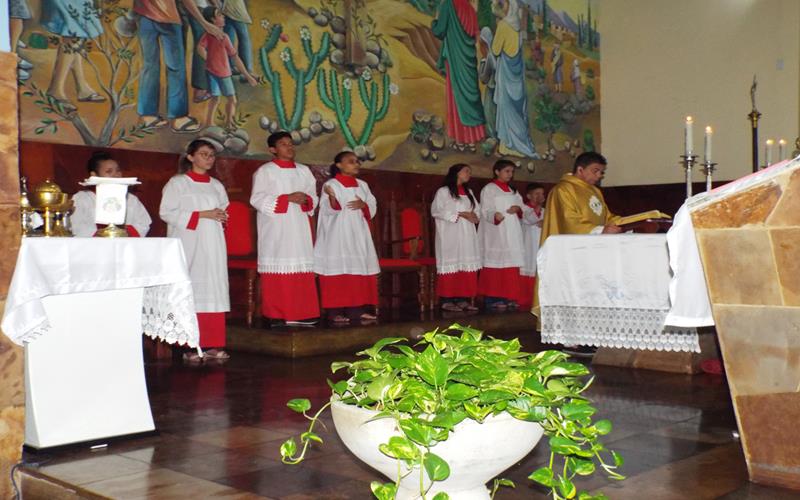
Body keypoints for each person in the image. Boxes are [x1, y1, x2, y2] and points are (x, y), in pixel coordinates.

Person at [160, 139, 230, 362]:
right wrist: (201, 215)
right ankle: (188, 345)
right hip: (188, 241)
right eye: (203, 154)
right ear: (190, 157)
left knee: (213, 289)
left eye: (211, 155)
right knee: (189, 288)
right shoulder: (178, 183)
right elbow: (166, 212)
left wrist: (220, 216)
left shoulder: (216, 185)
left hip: (213, 241)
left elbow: (223, 209)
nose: (208, 159)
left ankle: (212, 344)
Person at [250, 132, 320, 326]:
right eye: (283, 144)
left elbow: (313, 196)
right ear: (273, 149)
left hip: (299, 226)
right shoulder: (265, 171)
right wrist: (286, 198)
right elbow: (256, 199)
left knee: (301, 265)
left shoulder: (304, 171)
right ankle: (277, 314)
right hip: (276, 228)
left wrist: (306, 199)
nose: (289, 147)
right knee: (279, 265)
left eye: (291, 144)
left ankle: (303, 313)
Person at [134, 0, 224, 133]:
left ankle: (148, 114)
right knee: (175, 67)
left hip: (145, 16)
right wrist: (204, 23)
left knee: (150, 66)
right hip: (168, 19)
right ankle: (177, 117)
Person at [314, 151, 379, 325]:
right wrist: (333, 198)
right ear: (339, 165)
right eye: (351, 161)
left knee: (357, 270)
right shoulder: (331, 184)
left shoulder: (363, 185)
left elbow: (372, 205)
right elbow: (327, 208)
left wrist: (364, 205)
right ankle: (334, 311)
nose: (356, 164)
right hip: (338, 235)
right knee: (338, 270)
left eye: (357, 161)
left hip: (358, 233)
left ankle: (356, 310)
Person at [431, 0, 486, 145]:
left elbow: (439, 30)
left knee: (456, 95)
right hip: (469, 60)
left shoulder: (448, 4)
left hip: (455, 58)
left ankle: (461, 139)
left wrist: (435, 20)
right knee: (470, 94)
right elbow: (474, 35)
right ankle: (474, 138)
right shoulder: (470, 8)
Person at [539, 151, 622, 245]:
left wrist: (625, 222)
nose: (599, 175)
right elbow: (569, 220)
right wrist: (599, 231)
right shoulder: (562, 190)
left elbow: (606, 217)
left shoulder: (595, 191)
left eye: (601, 172)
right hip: (571, 246)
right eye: (595, 171)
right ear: (580, 170)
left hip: (594, 244)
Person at [197, 6, 259, 129]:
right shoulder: (222, 37)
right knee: (231, 99)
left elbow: (200, 48)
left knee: (216, 98)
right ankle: (227, 123)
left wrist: (209, 61)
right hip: (222, 73)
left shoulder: (212, 35)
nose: (223, 17)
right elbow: (235, 58)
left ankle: (214, 123)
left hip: (214, 72)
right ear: (213, 20)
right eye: (220, 15)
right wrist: (248, 76)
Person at [431, 164, 481, 312]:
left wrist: (475, 217)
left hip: (467, 233)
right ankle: (447, 299)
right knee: (451, 264)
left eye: (470, 172)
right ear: (456, 173)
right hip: (450, 233)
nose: (469, 174)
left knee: (466, 263)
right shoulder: (444, 192)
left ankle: (463, 298)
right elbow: (436, 211)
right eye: (466, 171)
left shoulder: (469, 192)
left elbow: (477, 211)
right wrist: (461, 214)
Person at [478, 159, 526, 310]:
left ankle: (508, 296)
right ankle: (493, 299)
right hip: (496, 232)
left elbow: (522, 205)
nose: (510, 175)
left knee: (510, 265)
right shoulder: (489, 189)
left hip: (511, 231)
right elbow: (485, 209)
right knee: (496, 265)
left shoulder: (513, 190)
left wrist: (518, 208)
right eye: (507, 171)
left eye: (512, 172)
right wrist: (495, 215)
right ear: (497, 171)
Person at [71, 151, 152, 237]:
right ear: (94, 175)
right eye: (109, 171)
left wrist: (122, 231)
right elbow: (76, 225)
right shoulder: (82, 198)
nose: (116, 175)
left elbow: (143, 223)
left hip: (124, 245)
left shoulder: (130, 199)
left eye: (118, 170)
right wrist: (102, 232)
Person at [518, 183, 545, 310]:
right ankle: (524, 299)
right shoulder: (523, 209)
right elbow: (530, 219)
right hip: (527, 244)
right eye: (537, 194)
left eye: (542, 194)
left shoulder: (546, 210)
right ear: (529, 196)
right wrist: (538, 210)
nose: (540, 196)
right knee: (527, 267)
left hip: (540, 245)